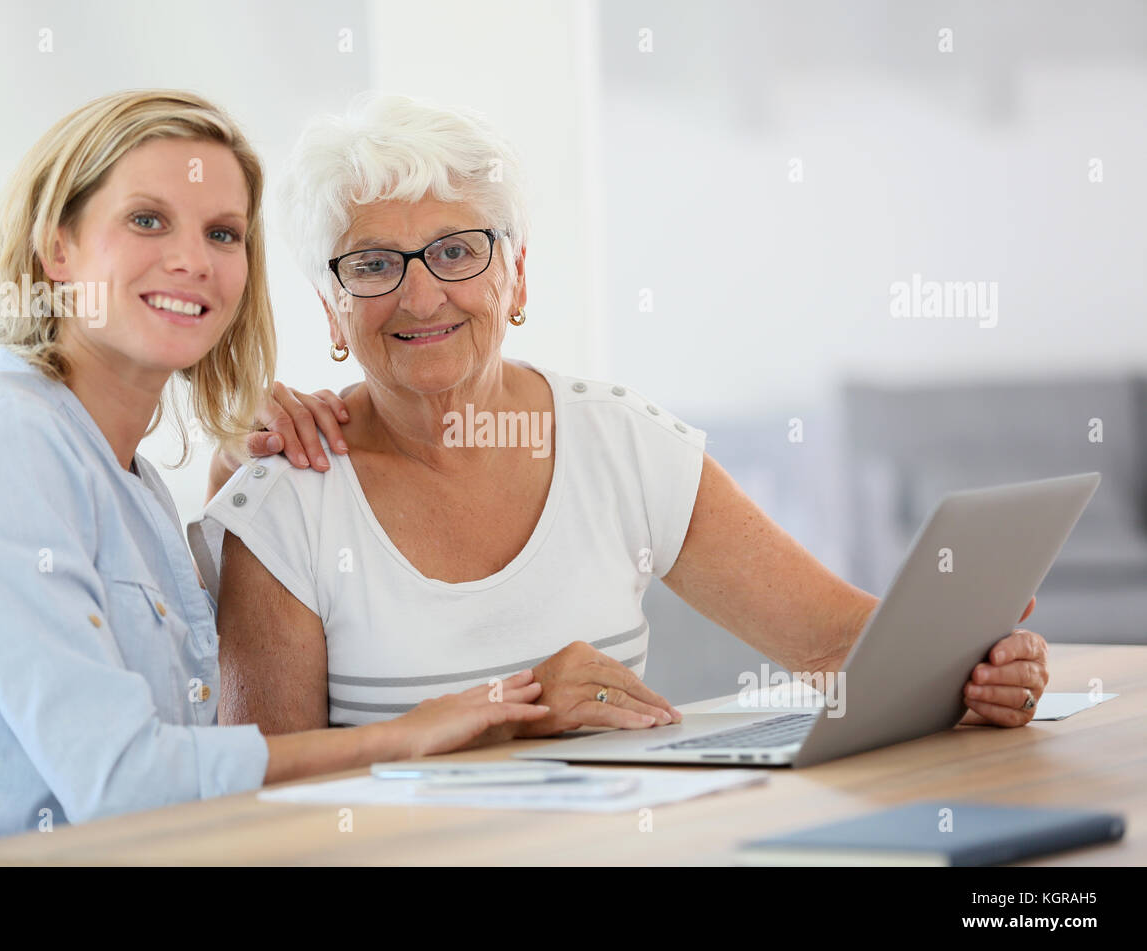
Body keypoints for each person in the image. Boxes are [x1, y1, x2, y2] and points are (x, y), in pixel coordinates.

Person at [191, 92, 1049, 738]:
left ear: (516, 276)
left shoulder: (620, 444)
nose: (422, 294)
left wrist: (971, 665)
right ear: (332, 309)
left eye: (457, 251)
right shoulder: (289, 494)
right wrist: (512, 712)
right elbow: (264, 797)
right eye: (374, 263)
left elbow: (832, 647)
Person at [0, 90, 549, 867]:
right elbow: (124, 781)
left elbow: (185, 753)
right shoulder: (1, 443)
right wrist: (406, 736)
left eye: (223, 233)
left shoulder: (130, 479)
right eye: (147, 220)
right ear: (59, 251)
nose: (191, 260)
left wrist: (230, 475)